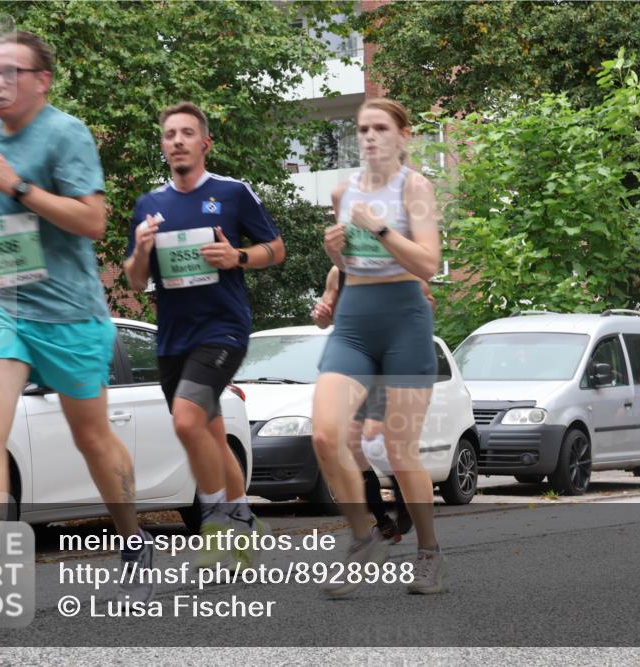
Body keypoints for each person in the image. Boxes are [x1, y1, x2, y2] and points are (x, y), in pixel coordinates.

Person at [0, 31, 154, 604]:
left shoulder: (67, 134)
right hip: (2, 303)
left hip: (69, 314)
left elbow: (91, 221)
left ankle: (133, 535)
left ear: (42, 80)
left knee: (92, 437)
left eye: (11, 71)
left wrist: (18, 185)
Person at [124, 102, 285, 571]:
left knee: (187, 422)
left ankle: (215, 524)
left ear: (204, 143)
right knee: (210, 435)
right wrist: (143, 249)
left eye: (187, 133)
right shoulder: (149, 205)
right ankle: (244, 529)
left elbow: (276, 249)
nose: (177, 140)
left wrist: (235, 257)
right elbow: (135, 280)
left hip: (224, 329)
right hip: (173, 337)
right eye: (170, 133)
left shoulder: (232, 193)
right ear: (163, 145)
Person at [312, 97, 445, 596]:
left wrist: (382, 228)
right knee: (326, 435)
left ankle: (428, 551)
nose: (369, 136)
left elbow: (428, 264)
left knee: (399, 449)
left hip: (404, 322)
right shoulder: (342, 191)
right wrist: (335, 254)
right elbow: (349, 265)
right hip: (354, 323)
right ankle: (363, 538)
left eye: (380, 128)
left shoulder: (416, 188)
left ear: (402, 135)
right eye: (363, 128)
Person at [312, 266, 436, 541]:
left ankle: (411, 512)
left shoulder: (401, 266)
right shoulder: (337, 272)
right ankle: (381, 520)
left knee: (380, 443)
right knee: (353, 447)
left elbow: (426, 308)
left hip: (390, 365)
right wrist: (321, 315)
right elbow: (325, 317)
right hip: (357, 367)